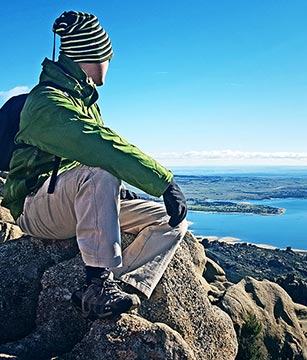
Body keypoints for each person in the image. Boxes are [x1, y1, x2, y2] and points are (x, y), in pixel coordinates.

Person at [1, 11, 188, 320]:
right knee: (101, 171)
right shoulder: (47, 103)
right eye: (108, 56)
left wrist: (124, 192)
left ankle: (126, 285)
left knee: (171, 219)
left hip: (71, 200)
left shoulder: (85, 101)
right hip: (36, 208)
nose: (110, 63)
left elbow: (98, 148)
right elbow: (98, 146)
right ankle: (96, 284)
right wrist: (162, 182)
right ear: (90, 54)